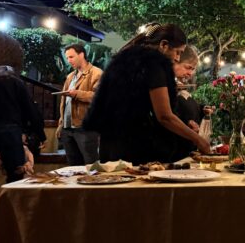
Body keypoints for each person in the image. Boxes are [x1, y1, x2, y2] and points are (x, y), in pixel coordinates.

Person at [83, 23, 210, 163]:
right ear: (164, 45)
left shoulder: (124, 60)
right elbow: (164, 116)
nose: (178, 58)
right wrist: (198, 140)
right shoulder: (154, 65)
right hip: (133, 146)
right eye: (178, 52)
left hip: (109, 142)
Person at [57, 43, 103, 166]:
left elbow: (100, 97)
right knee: (73, 167)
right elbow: (64, 102)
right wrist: (61, 124)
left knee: (91, 165)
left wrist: (77, 94)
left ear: (81, 54)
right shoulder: (70, 76)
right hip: (68, 128)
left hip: (85, 128)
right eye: (67, 58)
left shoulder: (96, 73)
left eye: (71, 57)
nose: (68, 60)